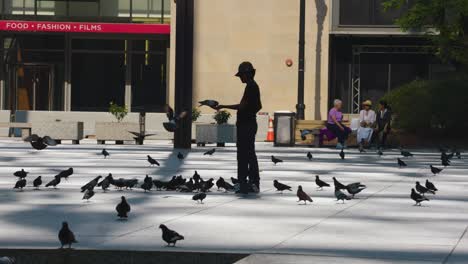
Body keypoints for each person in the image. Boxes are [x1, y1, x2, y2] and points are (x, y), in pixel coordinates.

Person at [212, 62, 262, 194]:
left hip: (247, 125)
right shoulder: (252, 86)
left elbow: (242, 106)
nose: (240, 78)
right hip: (248, 124)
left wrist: (223, 106)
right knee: (247, 153)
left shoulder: (251, 86)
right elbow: (258, 106)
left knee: (245, 155)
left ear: (247, 74)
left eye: (241, 75)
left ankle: (246, 182)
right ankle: (248, 182)